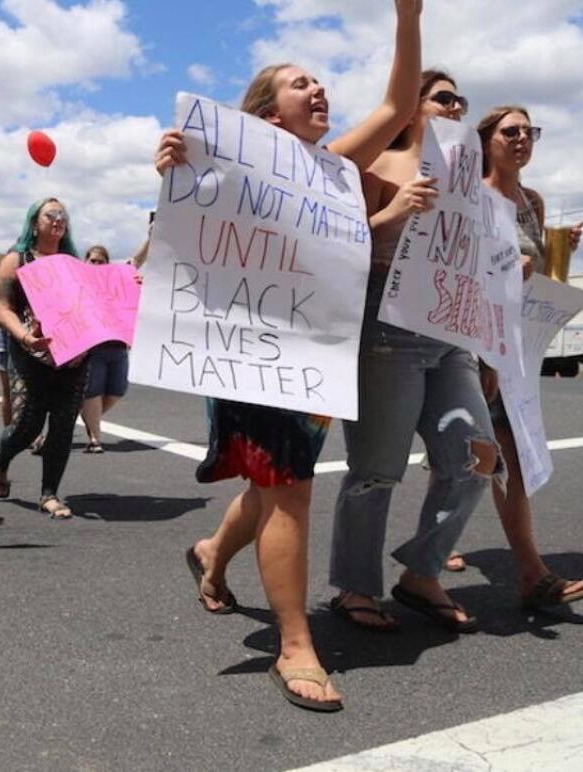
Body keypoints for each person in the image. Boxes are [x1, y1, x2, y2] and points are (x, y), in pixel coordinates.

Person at [155, 0, 422, 711]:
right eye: (302, 83)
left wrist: (408, 15)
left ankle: (213, 554)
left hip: (312, 354)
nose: (320, 91)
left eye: (320, 83)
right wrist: (175, 168)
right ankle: (296, 644)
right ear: (268, 115)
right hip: (252, 354)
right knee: (291, 490)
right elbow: (187, 233)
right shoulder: (231, 167)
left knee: (279, 480)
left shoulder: (332, 169)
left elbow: (399, 103)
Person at [327, 71, 501, 635]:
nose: (456, 107)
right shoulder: (379, 167)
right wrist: (397, 209)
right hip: (387, 329)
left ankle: (421, 573)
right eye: (443, 97)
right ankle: (355, 585)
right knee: (377, 469)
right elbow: (345, 250)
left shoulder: (471, 182)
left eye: (461, 101)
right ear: (414, 108)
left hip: (449, 333)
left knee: (476, 457)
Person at [475, 105, 583, 608]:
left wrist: (558, 251)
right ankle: (529, 571)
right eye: (511, 131)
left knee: (497, 457)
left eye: (530, 131)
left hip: (517, 345)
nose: (522, 138)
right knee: (477, 458)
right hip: (476, 341)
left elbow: (540, 276)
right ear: (487, 140)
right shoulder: (474, 197)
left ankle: (524, 570)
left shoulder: (532, 202)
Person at [0, 198, 89, 519]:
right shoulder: (16, 260)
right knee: (27, 426)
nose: (58, 219)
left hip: (73, 357)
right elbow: (3, 307)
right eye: (51, 214)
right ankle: (1, 461)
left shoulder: (75, 264)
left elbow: (95, 306)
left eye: (63, 215)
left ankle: (50, 494)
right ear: (35, 223)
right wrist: (24, 337)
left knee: (62, 425)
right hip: (31, 353)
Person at [78, 245, 130, 453]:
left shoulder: (117, 282)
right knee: (93, 392)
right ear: (86, 262)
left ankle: (89, 417)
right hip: (93, 348)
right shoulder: (79, 284)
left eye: (101, 261)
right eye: (93, 260)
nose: (97, 264)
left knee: (118, 389)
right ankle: (95, 439)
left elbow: (135, 262)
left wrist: (151, 237)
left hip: (118, 347)